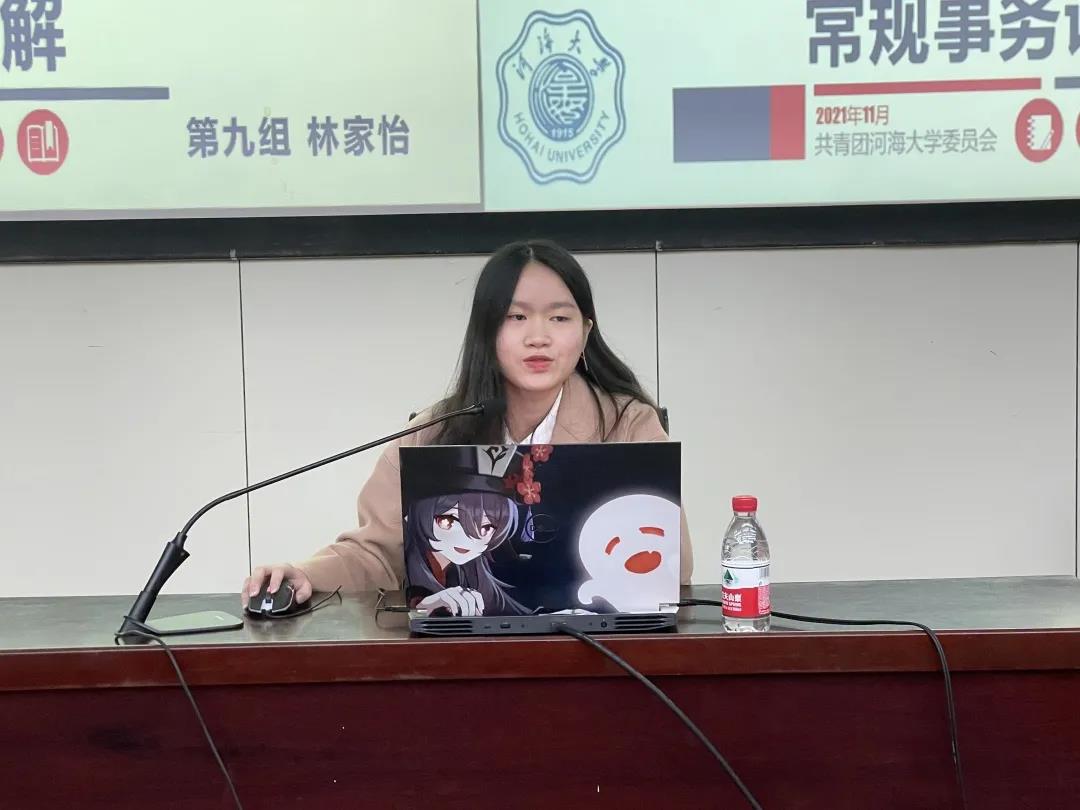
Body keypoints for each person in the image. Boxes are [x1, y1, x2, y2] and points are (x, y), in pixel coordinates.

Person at [242, 239, 693, 607]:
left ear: (586, 331)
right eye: (516, 317)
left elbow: (674, 567)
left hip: (599, 650)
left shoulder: (628, 424)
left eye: (559, 318)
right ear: (486, 330)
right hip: (463, 653)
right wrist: (304, 574)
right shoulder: (435, 431)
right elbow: (376, 554)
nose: (538, 337)